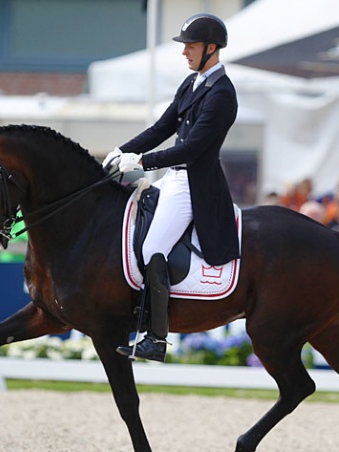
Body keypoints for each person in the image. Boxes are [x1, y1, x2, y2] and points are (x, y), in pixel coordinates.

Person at [105, 13, 239, 362]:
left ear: (212, 48)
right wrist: (124, 149)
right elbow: (161, 127)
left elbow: (193, 148)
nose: (185, 53)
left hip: (194, 184)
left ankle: (156, 337)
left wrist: (143, 163)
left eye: (191, 46)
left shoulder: (222, 94)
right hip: (174, 178)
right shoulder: (191, 84)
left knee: (152, 248)